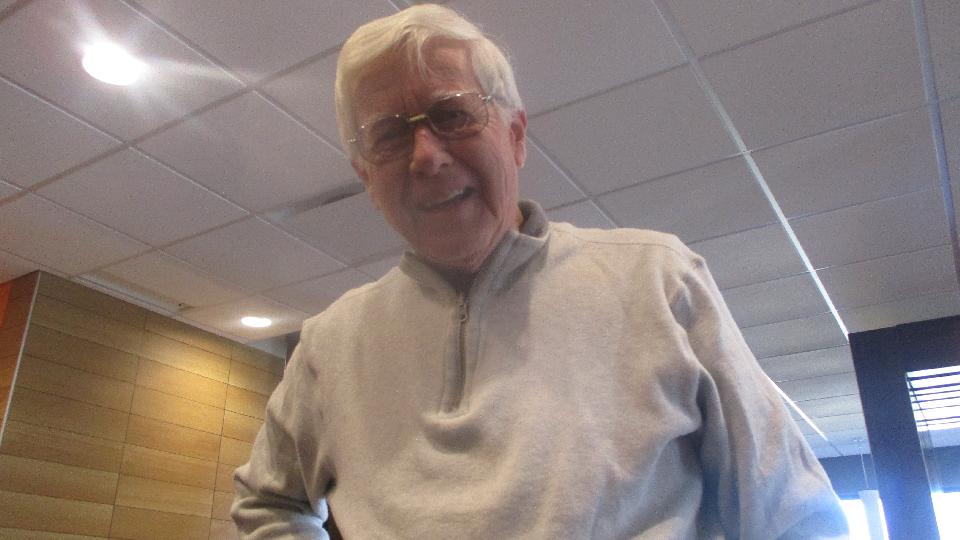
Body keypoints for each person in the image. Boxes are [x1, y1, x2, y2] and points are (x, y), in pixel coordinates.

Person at [232, 4, 849, 539]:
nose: (426, 156)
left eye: (451, 115)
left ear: (517, 136)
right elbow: (268, 502)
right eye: (389, 135)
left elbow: (794, 517)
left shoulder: (660, 281)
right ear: (366, 177)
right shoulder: (329, 344)